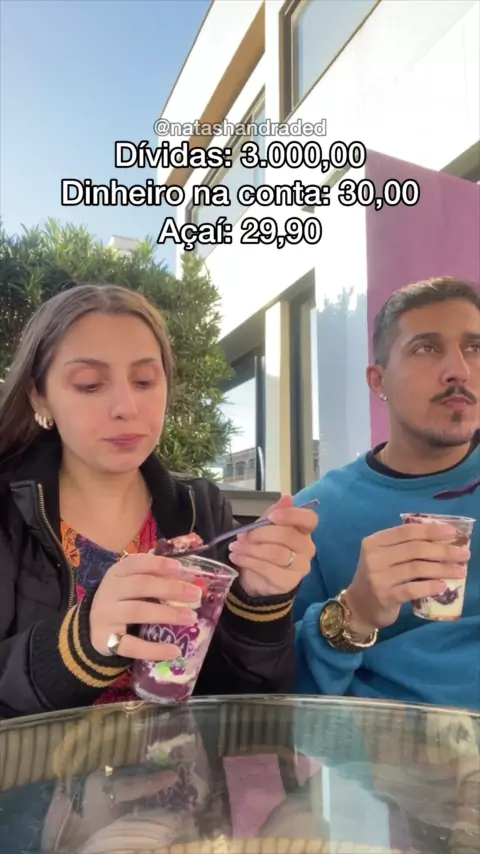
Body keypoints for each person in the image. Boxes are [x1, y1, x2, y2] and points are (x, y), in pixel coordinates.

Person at [0, 283, 317, 719]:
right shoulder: (10, 512)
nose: (126, 407)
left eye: (145, 381)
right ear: (39, 395)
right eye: (90, 384)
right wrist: (78, 644)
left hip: (177, 760)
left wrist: (258, 605)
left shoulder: (199, 507)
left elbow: (245, 706)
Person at [293, 276, 480, 709]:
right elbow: (283, 691)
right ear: (378, 381)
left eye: (474, 347)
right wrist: (354, 611)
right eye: (426, 348)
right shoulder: (316, 514)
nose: (460, 370)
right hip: (378, 740)